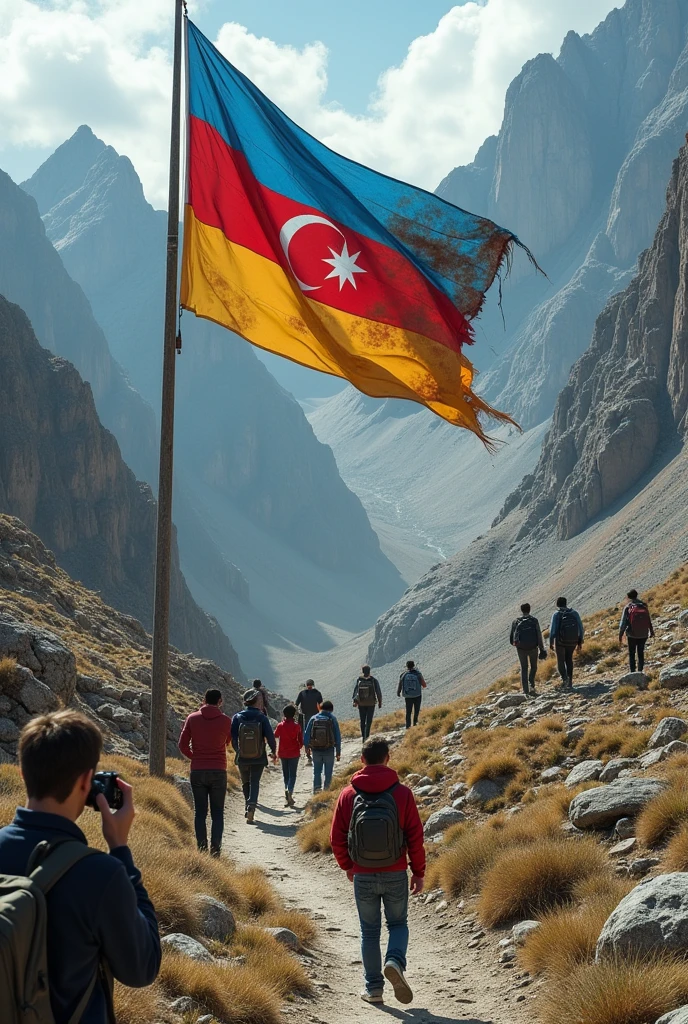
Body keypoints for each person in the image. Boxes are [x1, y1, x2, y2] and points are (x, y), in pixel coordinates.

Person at [0, 710, 160, 1023]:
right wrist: (121, 850)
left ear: (21, 772)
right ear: (87, 781)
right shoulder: (101, 874)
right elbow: (143, 967)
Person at [330, 736, 425, 1006]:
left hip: (363, 874)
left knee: (369, 931)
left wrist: (348, 866)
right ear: (388, 758)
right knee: (398, 924)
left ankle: (374, 989)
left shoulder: (348, 794)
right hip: (395, 872)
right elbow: (415, 837)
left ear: (362, 760)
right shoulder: (403, 793)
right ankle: (394, 960)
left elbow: (336, 837)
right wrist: (418, 872)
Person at [178, 688, 232, 857]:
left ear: (203, 700)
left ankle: (201, 849)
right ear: (220, 701)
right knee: (217, 812)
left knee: (200, 812)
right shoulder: (225, 720)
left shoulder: (192, 718)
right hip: (218, 770)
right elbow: (228, 742)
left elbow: (182, 745)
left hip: (198, 770)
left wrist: (195, 757)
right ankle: (215, 850)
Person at [231, 689, 277, 823]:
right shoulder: (262, 717)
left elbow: (233, 738)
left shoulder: (237, 717)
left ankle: (247, 805)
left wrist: (238, 751)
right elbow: (270, 737)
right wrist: (273, 751)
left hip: (242, 757)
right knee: (255, 781)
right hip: (259, 756)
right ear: (256, 702)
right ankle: (251, 806)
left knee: (246, 782)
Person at [510, 603, 547, 696]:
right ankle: (531, 683)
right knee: (534, 666)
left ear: (521, 610)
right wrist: (542, 648)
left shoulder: (516, 621)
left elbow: (512, 638)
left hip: (521, 649)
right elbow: (539, 635)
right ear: (529, 609)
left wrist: (518, 645)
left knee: (524, 668)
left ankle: (526, 691)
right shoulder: (534, 620)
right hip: (533, 648)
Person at [304, 700, 341, 793]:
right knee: (328, 773)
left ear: (320, 708)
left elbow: (307, 733)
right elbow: (337, 736)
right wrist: (338, 752)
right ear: (331, 709)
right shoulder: (332, 719)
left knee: (317, 771)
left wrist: (306, 747)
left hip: (316, 749)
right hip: (329, 749)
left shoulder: (313, 718)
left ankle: (317, 789)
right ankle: (326, 791)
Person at [549, 596, 584, 691]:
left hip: (560, 641)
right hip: (572, 641)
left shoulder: (556, 614)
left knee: (560, 661)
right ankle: (570, 682)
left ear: (557, 604)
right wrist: (580, 640)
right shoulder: (574, 613)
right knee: (569, 660)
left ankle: (565, 679)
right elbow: (581, 627)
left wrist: (551, 641)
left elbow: (553, 630)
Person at [619, 588, 655, 672]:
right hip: (644, 633)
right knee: (640, 652)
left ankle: (632, 672)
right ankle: (640, 671)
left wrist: (620, 634)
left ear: (628, 597)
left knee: (632, 653)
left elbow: (623, 622)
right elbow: (648, 619)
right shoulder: (643, 605)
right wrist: (651, 631)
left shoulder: (628, 607)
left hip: (632, 634)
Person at [274, 704, 303, 807]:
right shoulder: (297, 726)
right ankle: (290, 791)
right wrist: (299, 747)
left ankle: (287, 792)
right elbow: (300, 740)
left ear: (284, 714)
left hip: (282, 753)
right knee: (293, 775)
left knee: (286, 775)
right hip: (294, 753)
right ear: (294, 714)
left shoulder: (280, 725)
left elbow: (276, 735)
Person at [295, 679, 323, 765]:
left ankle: (308, 754)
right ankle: (316, 752)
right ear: (313, 685)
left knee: (306, 735)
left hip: (305, 717)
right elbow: (321, 705)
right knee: (316, 734)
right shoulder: (317, 693)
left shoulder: (302, 693)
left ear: (306, 685)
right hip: (316, 717)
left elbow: (296, 704)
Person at [353, 666, 382, 741]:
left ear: (362, 671)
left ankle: (363, 736)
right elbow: (378, 692)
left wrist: (355, 701)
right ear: (369, 671)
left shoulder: (359, 680)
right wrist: (380, 702)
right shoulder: (373, 680)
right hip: (371, 703)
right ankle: (367, 736)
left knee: (362, 720)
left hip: (361, 703)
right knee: (369, 720)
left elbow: (356, 691)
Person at [397, 660, 427, 728]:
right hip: (417, 695)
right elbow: (424, 685)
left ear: (406, 666)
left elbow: (400, 684)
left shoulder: (403, 674)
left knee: (408, 711)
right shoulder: (418, 674)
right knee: (416, 710)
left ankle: (408, 726)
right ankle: (415, 724)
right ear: (414, 665)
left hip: (408, 696)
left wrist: (398, 692)